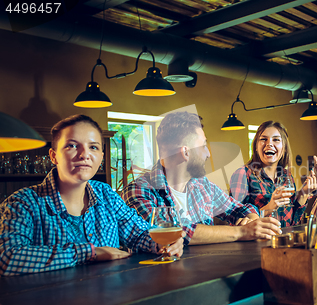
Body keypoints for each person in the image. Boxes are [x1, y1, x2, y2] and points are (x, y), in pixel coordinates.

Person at [0, 115, 183, 276]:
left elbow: (140, 233)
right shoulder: (22, 203)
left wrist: (163, 244)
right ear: (53, 156)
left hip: (110, 303)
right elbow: (7, 258)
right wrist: (89, 253)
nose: (84, 154)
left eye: (93, 147)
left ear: (102, 156)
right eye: (72, 145)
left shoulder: (106, 194)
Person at [121, 111, 281, 245]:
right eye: (204, 146)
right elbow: (169, 233)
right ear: (186, 152)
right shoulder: (139, 190)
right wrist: (240, 232)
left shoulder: (202, 185)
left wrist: (252, 220)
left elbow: (240, 209)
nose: (208, 154)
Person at [230, 121, 317, 227]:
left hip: (284, 241)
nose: (269, 143)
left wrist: (304, 193)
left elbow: (292, 222)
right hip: (258, 242)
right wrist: (269, 207)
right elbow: (235, 222)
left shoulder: (286, 176)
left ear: (284, 148)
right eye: (263, 139)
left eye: (276, 139)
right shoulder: (242, 174)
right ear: (255, 146)